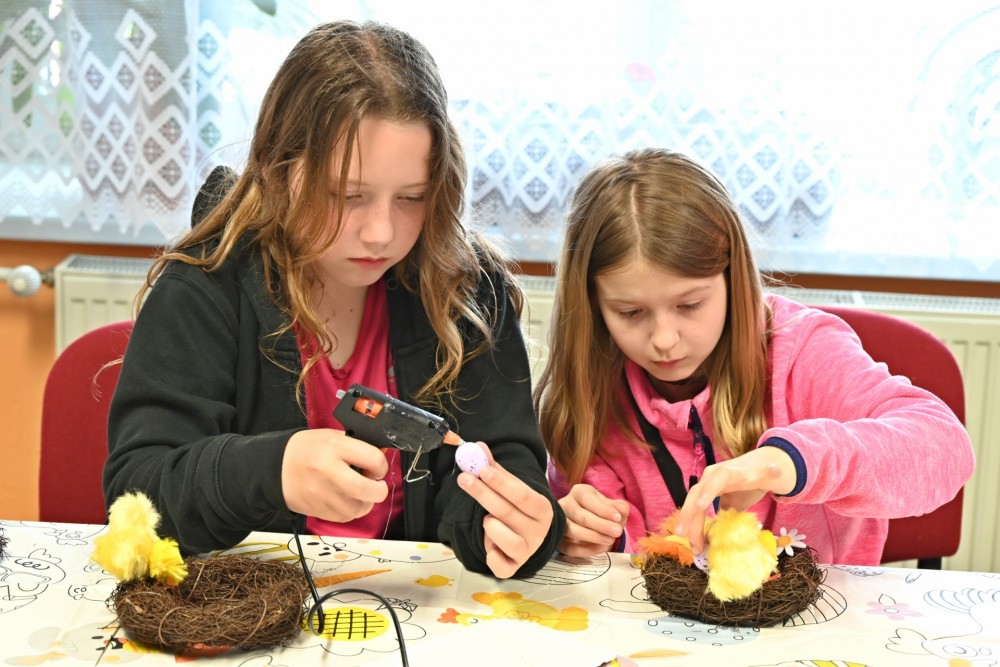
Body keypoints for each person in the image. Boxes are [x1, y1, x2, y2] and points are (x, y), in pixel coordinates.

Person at [104, 20, 564, 579]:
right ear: (277, 171)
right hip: (253, 606)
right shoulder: (206, 288)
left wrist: (513, 528)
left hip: (417, 607)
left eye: (412, 197)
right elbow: (136, 495)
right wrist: (270, 471)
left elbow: (506, 460)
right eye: (347, 196)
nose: (381, 233)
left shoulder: (466, 292)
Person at [533, 147, 974, 565]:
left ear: (734, 279)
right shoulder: (592, 393)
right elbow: (617, 563)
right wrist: (586, 534)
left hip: (819, 614)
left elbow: (944, 449)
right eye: (630, 313)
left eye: (690, 305)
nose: (664, 340)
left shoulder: (803, 353)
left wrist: (786, 463)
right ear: (593, 306)